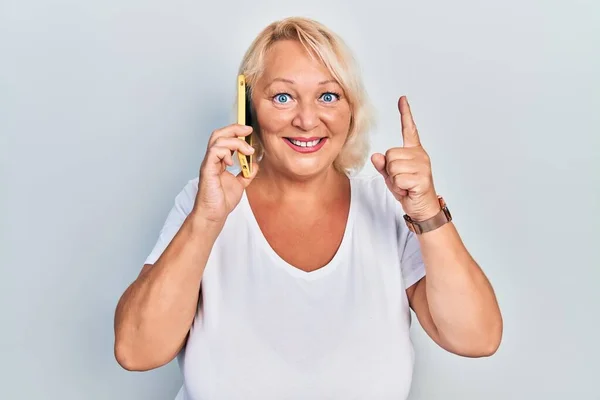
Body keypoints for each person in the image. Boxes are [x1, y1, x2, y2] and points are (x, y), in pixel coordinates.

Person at [113, 16, 503, 399]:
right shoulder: (205, 201)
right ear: (249, 112)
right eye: (282, 97)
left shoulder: (387, 206)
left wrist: (426, 212)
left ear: (351, 112)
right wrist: (206, 220)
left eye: (328, 96)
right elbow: (136, 351)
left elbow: (477, 338)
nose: (306, 119)